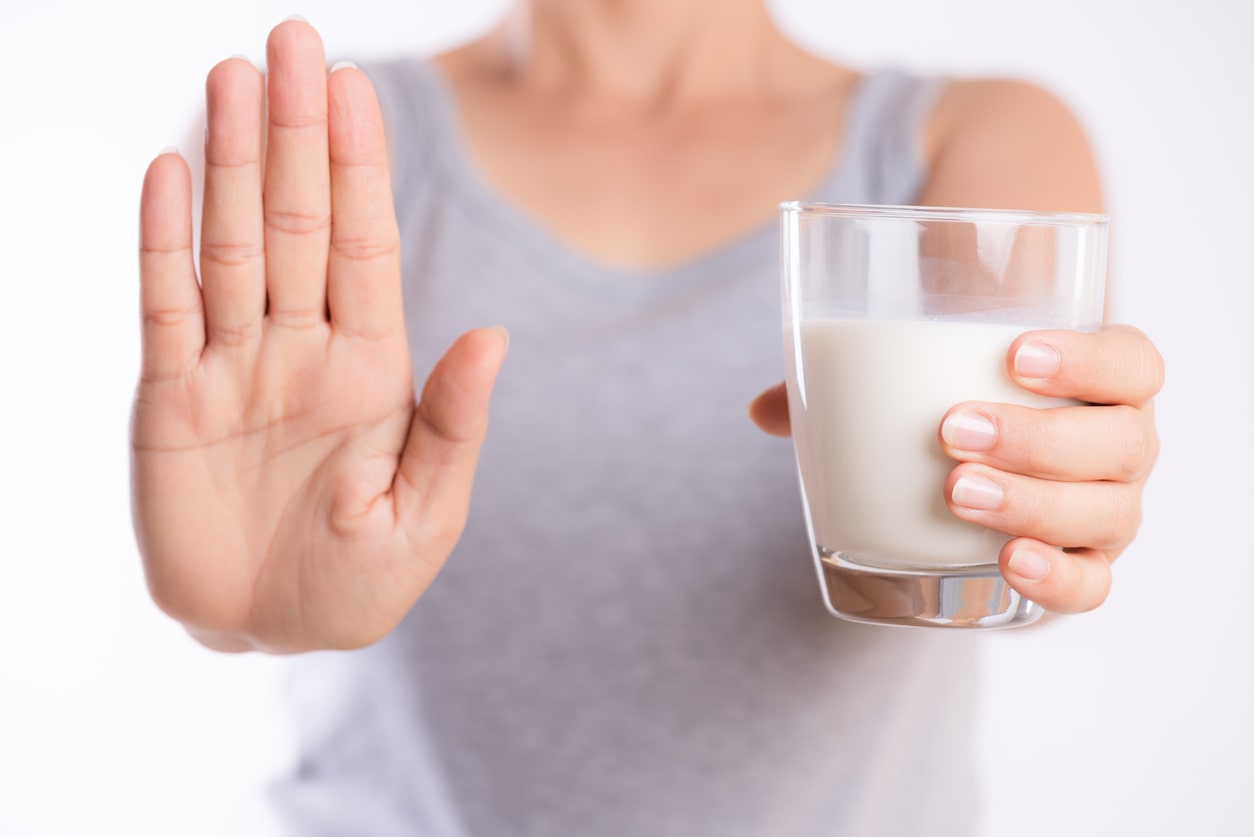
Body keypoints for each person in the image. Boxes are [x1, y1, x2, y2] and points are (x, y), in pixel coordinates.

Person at [133, 3, 1163, 835]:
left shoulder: (965, 137)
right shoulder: (327, 146)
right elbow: (242, 572)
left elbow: (981, 544)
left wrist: (1046, 516)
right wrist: (236, 609)